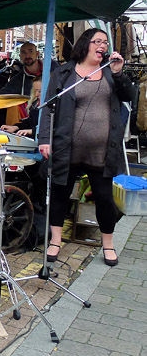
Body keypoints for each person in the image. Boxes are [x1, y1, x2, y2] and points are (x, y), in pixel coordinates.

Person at [39, 28, 134, 266]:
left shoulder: (110, 72)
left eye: (105, 42)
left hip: (101, 151)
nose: (102, 46)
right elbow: (48, 110)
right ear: (86, 44)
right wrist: (44, 139)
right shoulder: (64, 73)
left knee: (104, 198)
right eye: (97, 41)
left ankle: (108, 245)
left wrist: (119, 73)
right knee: (60, 194)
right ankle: (55, 241)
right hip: (67, 148)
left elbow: (130, 95)